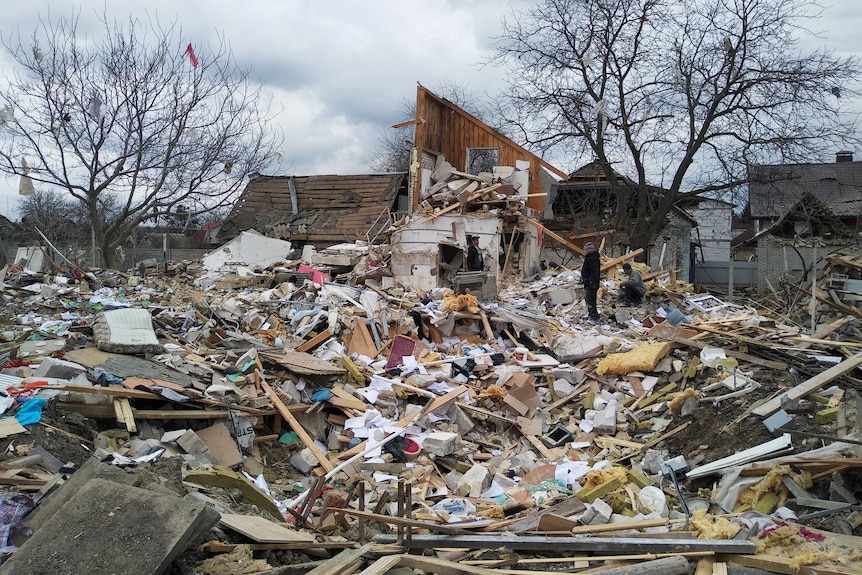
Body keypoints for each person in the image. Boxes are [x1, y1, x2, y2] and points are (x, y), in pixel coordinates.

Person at [580, 242, 600, 320]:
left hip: (591, 283)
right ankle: (592, 314)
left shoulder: (592, 258)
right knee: (590, 299)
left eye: (585, 250)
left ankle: (593, 316)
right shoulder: (592, 257)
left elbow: (594, 271)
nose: (584, 251)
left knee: (590, 299)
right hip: (591, 283)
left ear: (589, 250)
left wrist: (589, 281)